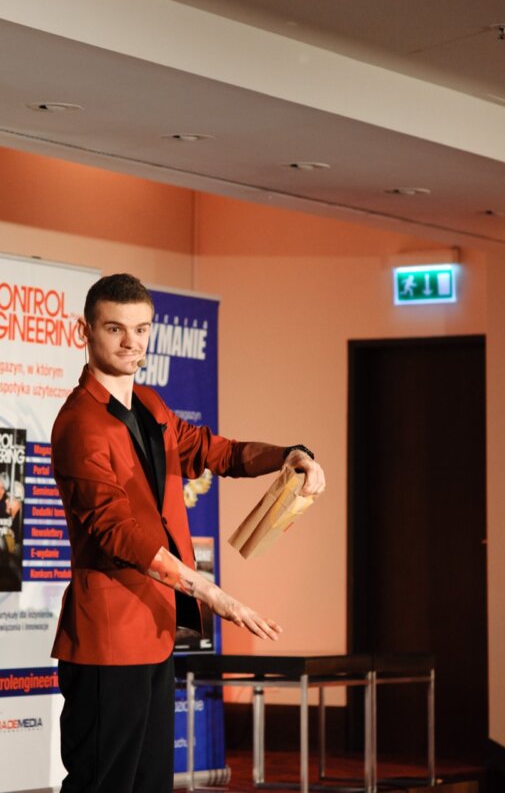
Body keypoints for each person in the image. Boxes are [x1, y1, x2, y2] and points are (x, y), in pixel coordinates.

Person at [50, 273, 325, 793]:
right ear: (83, 331)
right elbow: (118, 534)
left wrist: (289, 455)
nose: (131, 343)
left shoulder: (150, 406)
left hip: (153, 633)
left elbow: (215, 451)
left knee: (151, 782)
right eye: (115, 329)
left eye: (141, 329)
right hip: (108, 637)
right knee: (103, 784)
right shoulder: (79, 424)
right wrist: (211, 592)